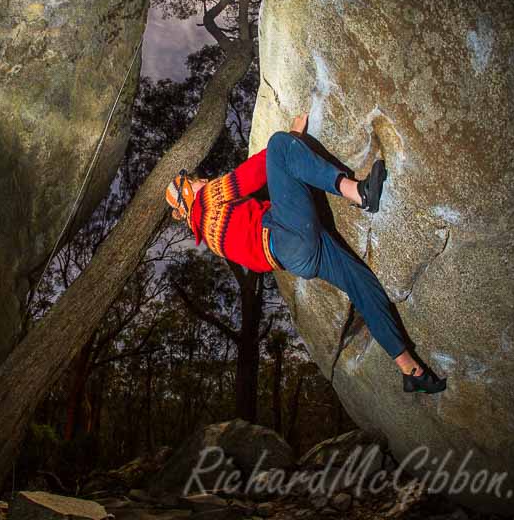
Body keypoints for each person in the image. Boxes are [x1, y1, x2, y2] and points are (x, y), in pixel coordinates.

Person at [164, 112, 446, 393]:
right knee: (278, 145)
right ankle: (358, 192)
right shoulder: (206, 199)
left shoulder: (212, 239)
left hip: (296, 259)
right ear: (188, 194)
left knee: (361, 284)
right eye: (193, 180)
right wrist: (293, 137)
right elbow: (254, 173)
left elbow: (254, 253)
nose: (201, 179)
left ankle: (410, 369)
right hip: (288, 235)